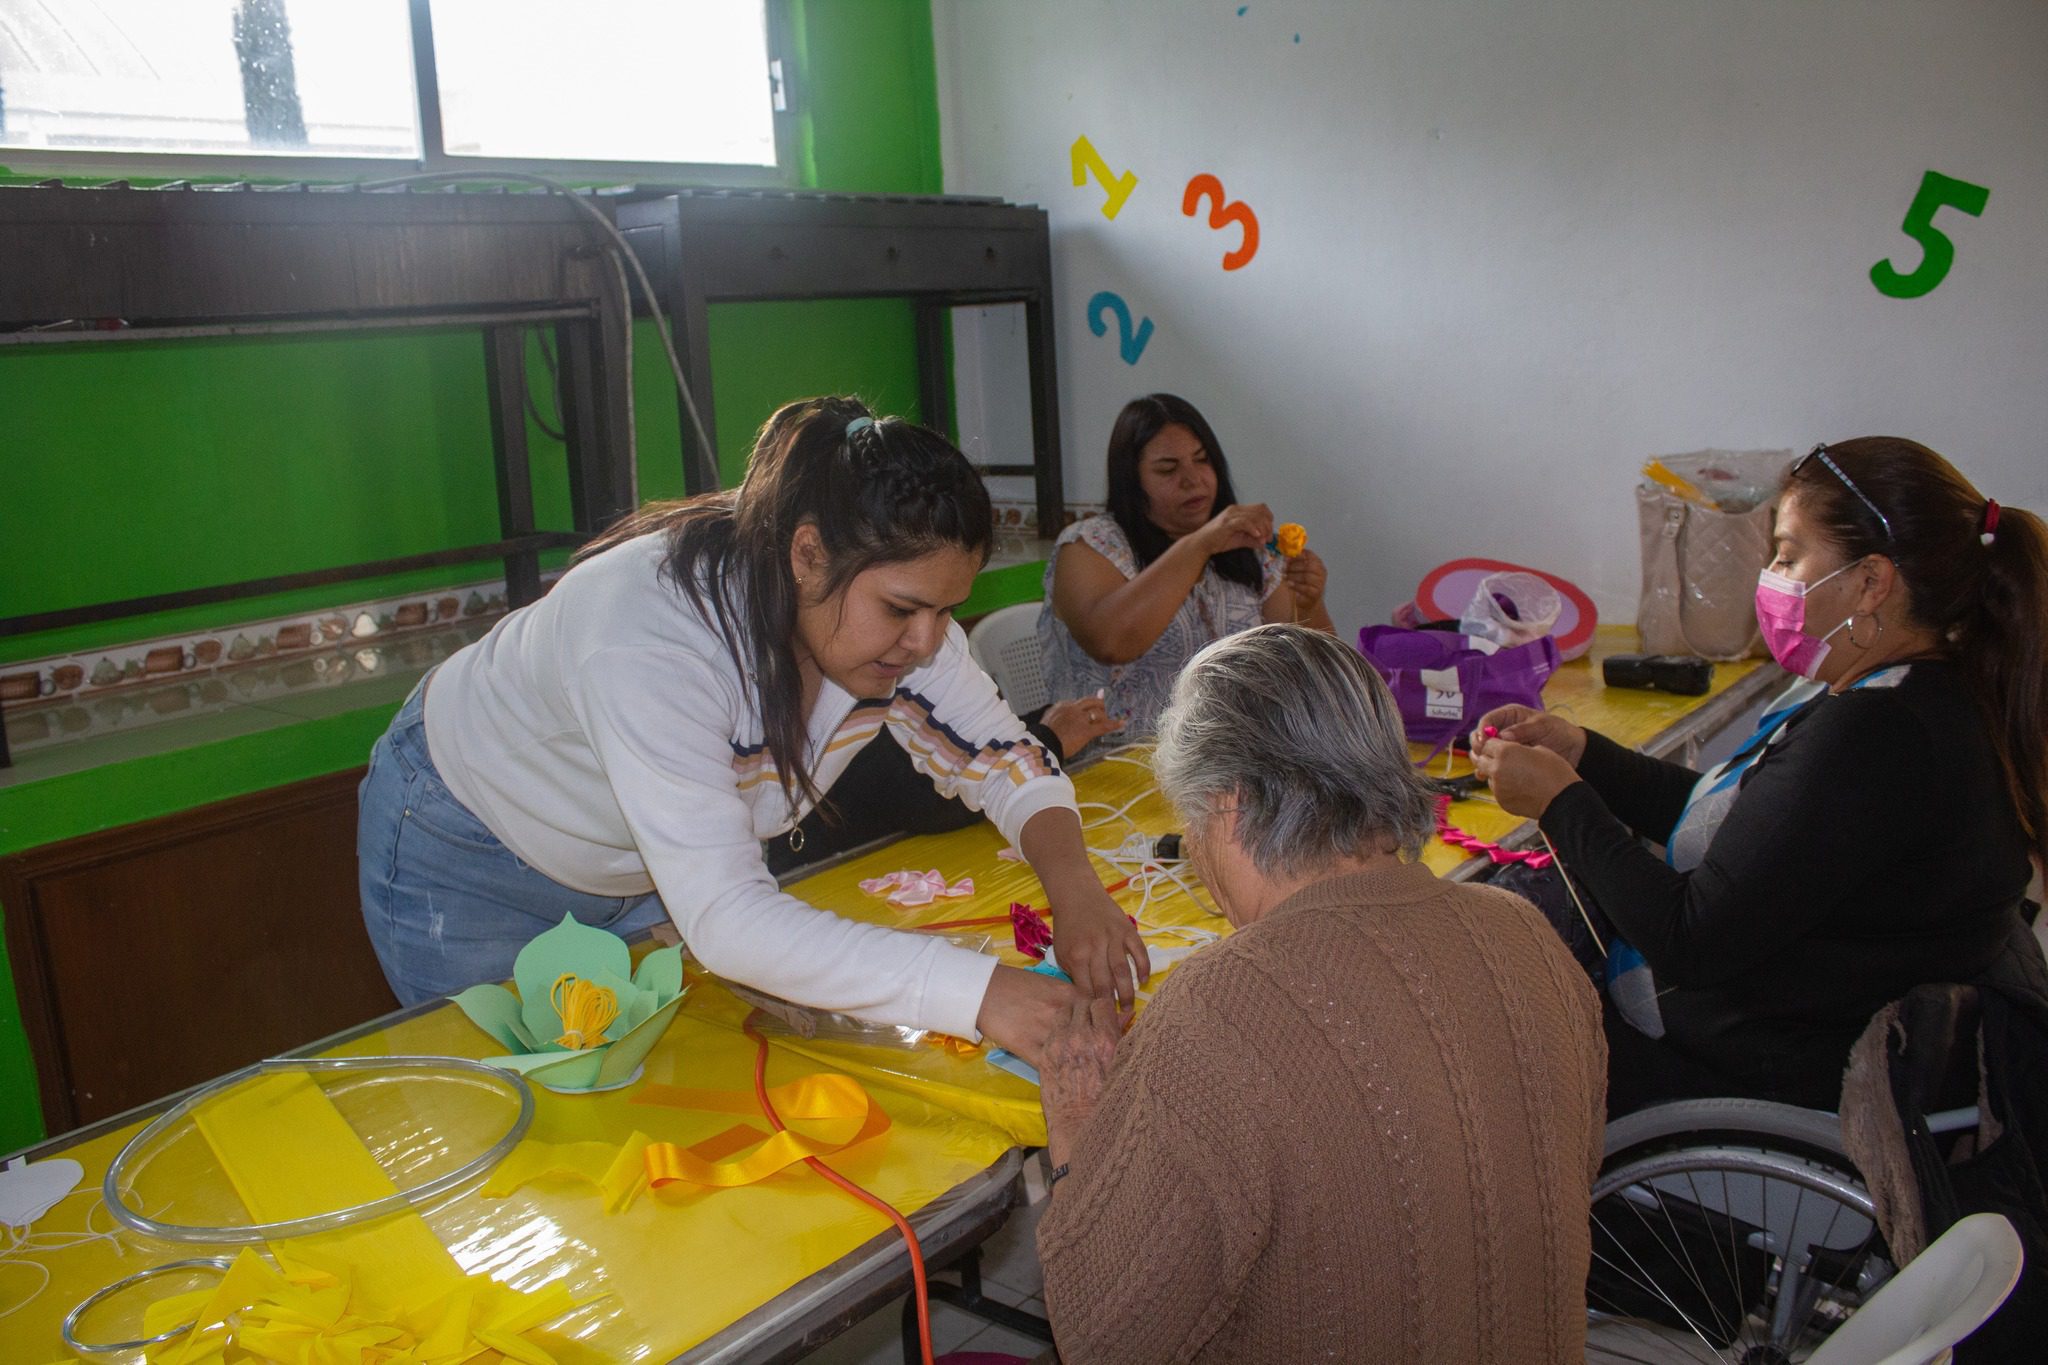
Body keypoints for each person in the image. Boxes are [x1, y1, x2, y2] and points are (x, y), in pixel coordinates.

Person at [356, 397, 1151, 1059]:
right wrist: (980, 993)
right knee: (529, 1113)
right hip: (464, 855)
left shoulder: (888, 611)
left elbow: (1001, 755)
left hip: (643, 867)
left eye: (946, 610)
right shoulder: (650, 635)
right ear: (808, 555)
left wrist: (1076, 890)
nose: (926, 641)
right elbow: (730, 918)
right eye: (905, 610)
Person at [1033, 624, 1605, 1365]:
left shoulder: (1220, 1007)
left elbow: (1101, 1338)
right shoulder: (1527, 935)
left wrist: (1079, 1133)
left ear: (1228, 809)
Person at [1474, 437, 2048, 1115]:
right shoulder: (1922, 691)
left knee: (1494, 1033)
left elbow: (1690, 941)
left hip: (1771, 1065)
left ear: (1871, 582)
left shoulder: (1878, 735)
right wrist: (1583, 754)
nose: (1771, 575)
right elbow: (1750, 826)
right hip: (1810, 1022)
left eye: (1787, 553)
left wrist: (1563, 805)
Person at [1037, 393, 1334, 736]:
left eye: (1202, 460)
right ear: (1131, 481)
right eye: (1168, 468)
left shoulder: (1249, 549)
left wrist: (1310, 602)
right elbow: (1111, 642)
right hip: (1120, 758)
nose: (1192, 480)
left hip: (1231, 758)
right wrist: (1200, 543)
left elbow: (1311, 668)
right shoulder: (1089, 544)